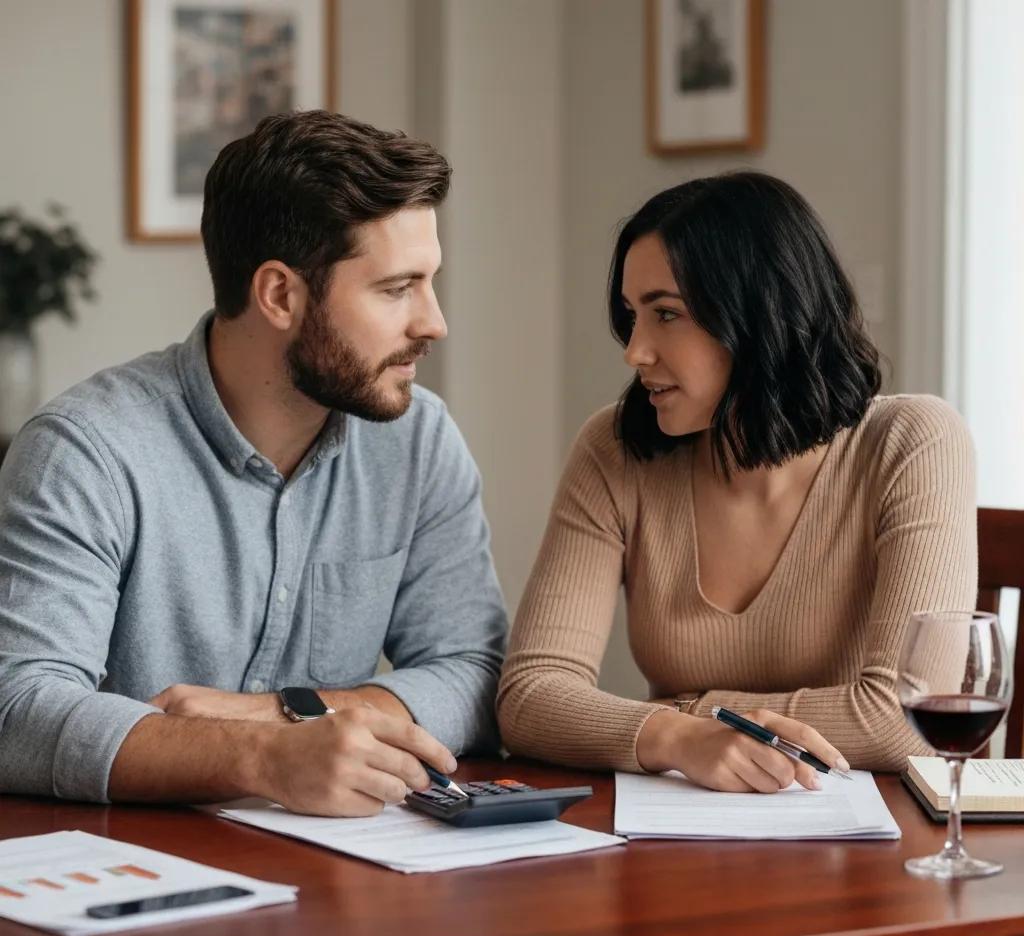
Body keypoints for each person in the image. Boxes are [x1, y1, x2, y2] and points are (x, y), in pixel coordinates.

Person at [0, 110, 507, 815]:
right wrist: (265, 759)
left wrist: (282, 714)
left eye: (429, 283)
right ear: (280, 295)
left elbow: (480, 674)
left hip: (340, 872)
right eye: (397, 289)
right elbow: (18, 709)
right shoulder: (85, 450)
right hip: (132, 875)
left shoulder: (418, 440)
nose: (434, 322)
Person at [497, 171, 976, 793]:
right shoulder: (614, 450)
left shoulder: (913, 441)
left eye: (667, 314)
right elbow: (530, 697)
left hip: (877, 848)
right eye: (631, 316)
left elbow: (903, 720)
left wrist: (694, 708)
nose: (635, 351)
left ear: (760, 315)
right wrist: (676, 737)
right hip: (684, 832)